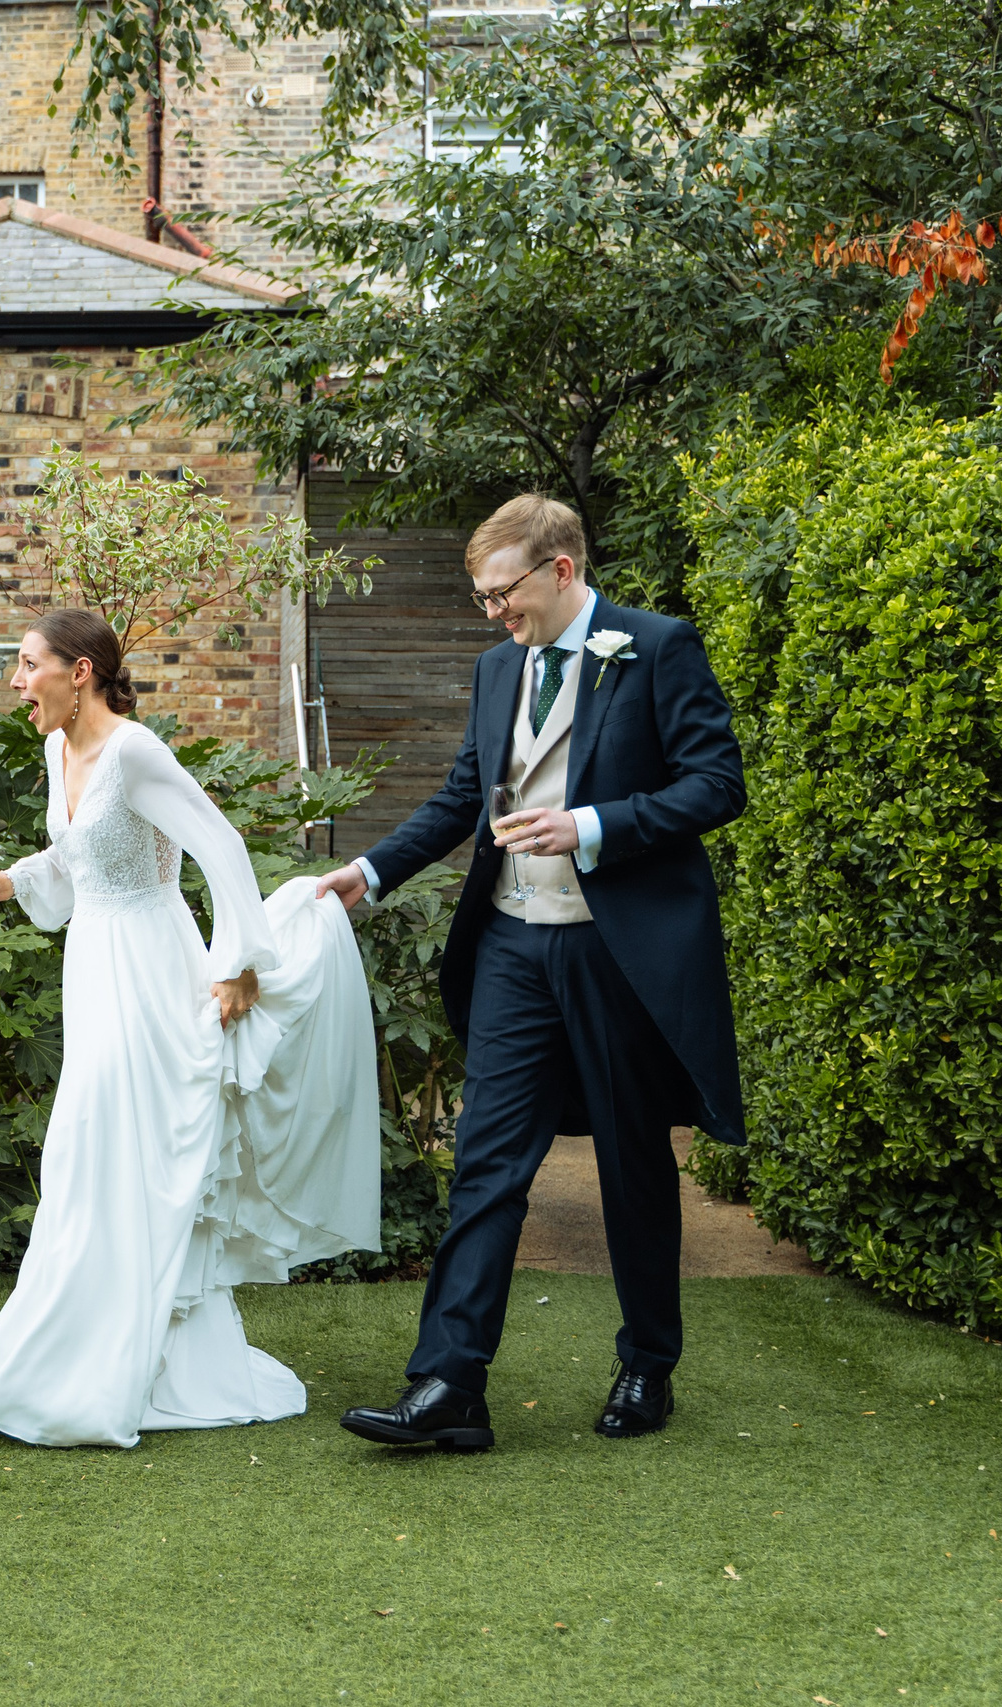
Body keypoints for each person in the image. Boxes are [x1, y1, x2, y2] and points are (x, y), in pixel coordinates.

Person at [315, 493, 745, 1451]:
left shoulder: (657, 647)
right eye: (482, 597)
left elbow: (717, 784)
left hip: (613, 948)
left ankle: (648, 1363)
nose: (493, 612)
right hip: (511, 941)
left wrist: (590, 825)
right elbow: (465, 793)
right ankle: (449, 1383)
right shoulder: (496, 668)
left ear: (561, 569)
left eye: (502, 592)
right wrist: (370, 872)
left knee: (632, 1159)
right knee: (487, 1160)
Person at [0, 610, 380, 1448]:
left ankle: (111, 1367)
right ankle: (104, 1356)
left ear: (80, 671)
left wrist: (238, 960)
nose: (16, 682)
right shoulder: (56, 750)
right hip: (94, 969)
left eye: (27, 664)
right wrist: (10, 881)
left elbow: (221, 844)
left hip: (151, 970)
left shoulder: (135, 752)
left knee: (120, 1151)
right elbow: (76, 864)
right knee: (97, 1155)